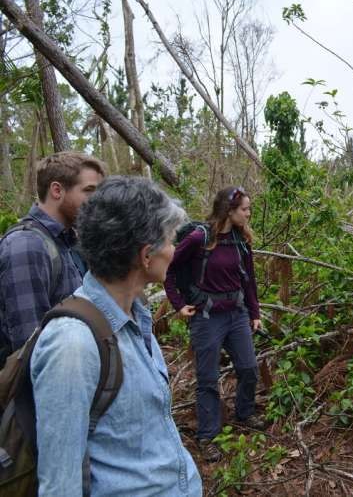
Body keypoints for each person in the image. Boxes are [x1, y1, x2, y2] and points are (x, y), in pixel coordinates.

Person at [30, 176, 202, 496]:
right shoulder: (74, 344)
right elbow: (59, 483)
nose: (174, 250)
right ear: (146, 255)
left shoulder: (136, 317)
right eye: (170, 241)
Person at [165, 186, 263, 462]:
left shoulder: (241, 240)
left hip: (237, 314)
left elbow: (249, 280)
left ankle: (245, 412)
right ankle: (207, 436)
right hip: (207, 318)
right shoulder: (200, 238)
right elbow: (169, 269)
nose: (248, 213)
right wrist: (178, 304)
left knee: (249, 368)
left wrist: (254, 312)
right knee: (208, 379)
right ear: (229, 211)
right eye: (244, 209)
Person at [0, 152, 106, 360]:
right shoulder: (27, 245)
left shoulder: (67, 242)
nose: (97, 201)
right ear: (57, 190)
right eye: (89, 191)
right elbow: (30, 348)